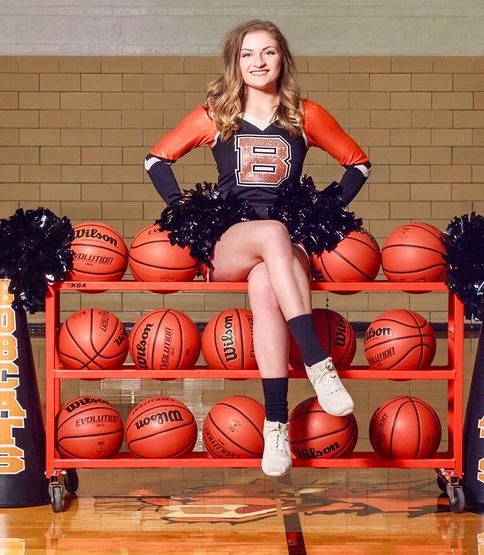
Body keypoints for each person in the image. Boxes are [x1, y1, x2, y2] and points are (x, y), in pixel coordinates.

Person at [144, 19, 370, 477]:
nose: (258, 62)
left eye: (267, 52)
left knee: (268, 284)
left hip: (285, 247)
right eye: (248, 54)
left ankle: (275, 425)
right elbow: (156, 159)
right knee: (269, 234)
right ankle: (319, 365)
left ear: (282, 58)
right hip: (232, 239)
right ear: (235, 63)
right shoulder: (215, 115)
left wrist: (323, 213)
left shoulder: (306, 115)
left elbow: (358, 164)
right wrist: (184, 212)